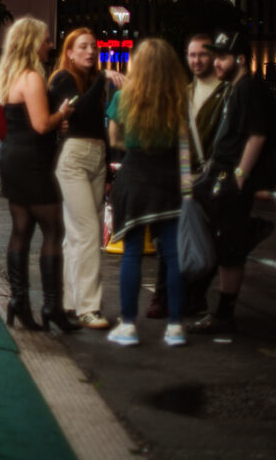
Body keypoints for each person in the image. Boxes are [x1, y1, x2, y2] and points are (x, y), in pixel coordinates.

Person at [188, 31, 276, 334]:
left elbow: (257, 134)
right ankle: (210, 304)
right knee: (217, 237)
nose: (216, 62)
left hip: (229, 176)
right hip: (219, 174)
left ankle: (223, 313)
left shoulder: (248, 87)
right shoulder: (235, 89)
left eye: (222, 57)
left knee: (228, 248)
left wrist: (240, 176)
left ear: (239, 59)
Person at [0, 17, 79, 332]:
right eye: (45, 39)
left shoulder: (11, 76)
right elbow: (43, 124)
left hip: (12, 159)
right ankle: (52, 307)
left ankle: (19, 301)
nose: (49, 45)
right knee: (54, 231)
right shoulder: (31, 77)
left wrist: (55, 118)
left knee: (21, 230)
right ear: (32, 43)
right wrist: (63, 114)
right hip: (31, 162)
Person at [104, 39, 189, 347]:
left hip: (134, 178)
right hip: (168, 181)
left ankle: (127, 326)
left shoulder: (124, 98)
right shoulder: (178, 99)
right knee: (172, 253)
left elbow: (115, 139)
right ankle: (176, 327)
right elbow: (184, 145)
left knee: (132, 253)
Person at [147, 33, 229, 319]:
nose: (196, 60)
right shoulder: (183, 92)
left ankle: (195, 295)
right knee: (168, 237)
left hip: (214, 179)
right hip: (182, 175)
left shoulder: (226, 94)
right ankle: (162, 295)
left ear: (214, 57)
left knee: (207, 240)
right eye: (192, 55)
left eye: (202, 55)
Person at [49, 28, 124, 330]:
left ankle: (69, 301)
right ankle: (88, 307)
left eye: (94, 46)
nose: (90, 52)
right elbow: (75, 109)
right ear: (69, 52)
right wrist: (104, 77)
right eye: (83, 47)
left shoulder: (95, 81)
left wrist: (106, 169)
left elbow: (99, 124)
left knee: (76, 235)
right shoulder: (62, 79)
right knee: (89, 231)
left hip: (95, 156)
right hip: (73, 158)